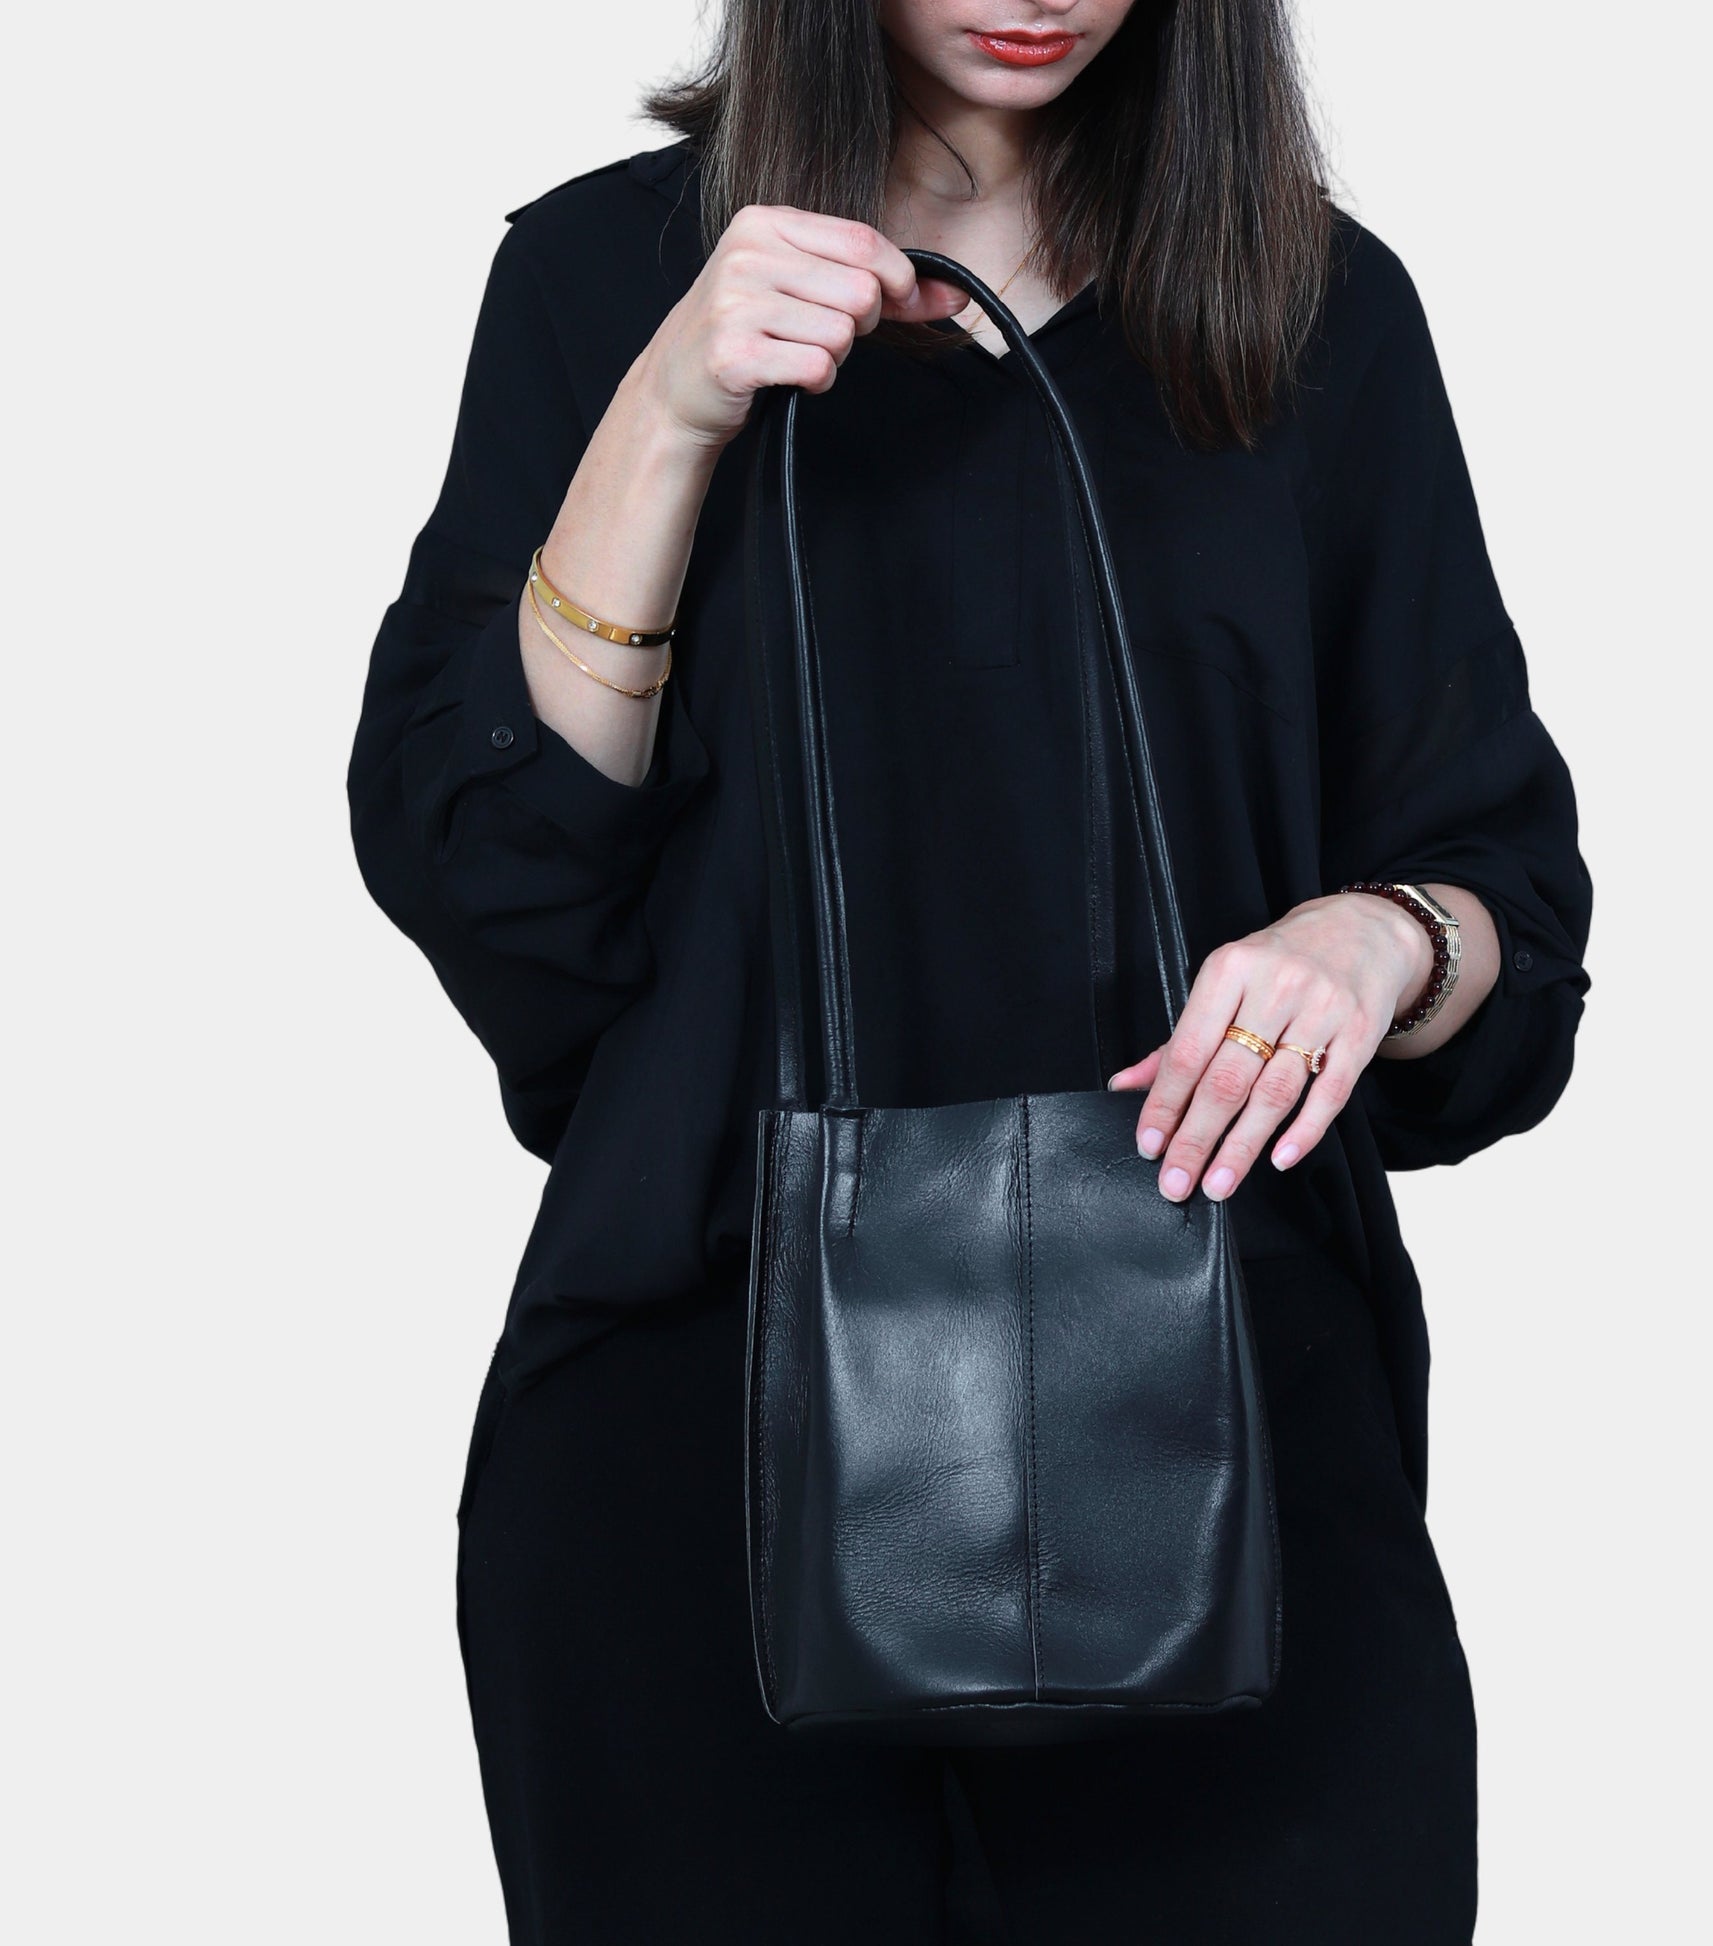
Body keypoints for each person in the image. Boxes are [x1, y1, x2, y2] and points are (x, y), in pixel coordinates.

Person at [346, 2, 1592, 1939]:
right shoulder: (605, 275)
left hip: (1225, 1409)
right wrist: (676, 400)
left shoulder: (1316, 309)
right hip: (698, 1424)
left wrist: (1380, 934)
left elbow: (1498, 901)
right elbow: (495, 873)